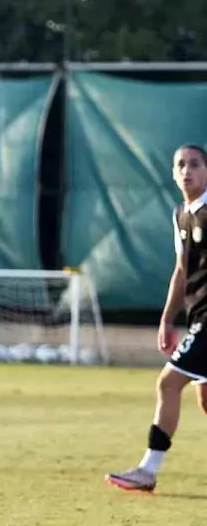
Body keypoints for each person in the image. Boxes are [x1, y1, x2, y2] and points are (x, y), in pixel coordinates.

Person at [106, 143, 207, 493]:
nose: (187, 170)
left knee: (168, 383)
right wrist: (167, 319)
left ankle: (147, 470)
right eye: (180, 164)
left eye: (194, 164)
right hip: (198, 319)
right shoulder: (180, 214)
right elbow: (181, 271)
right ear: (173, 172)